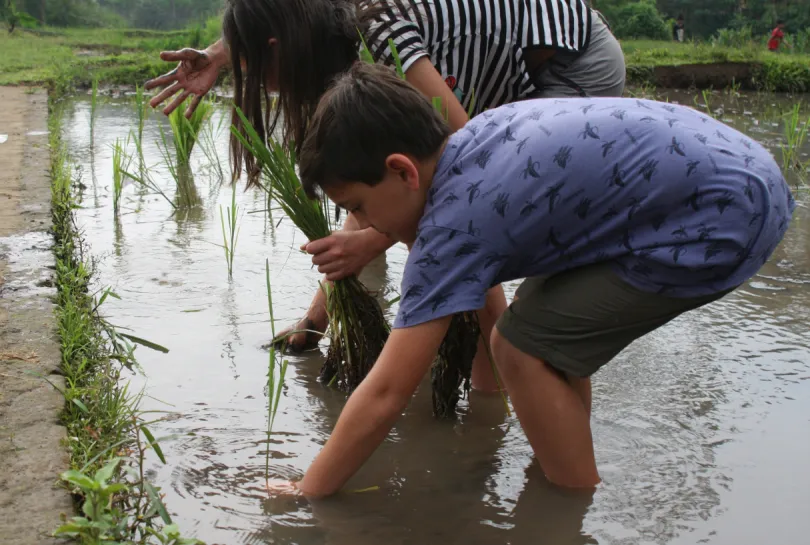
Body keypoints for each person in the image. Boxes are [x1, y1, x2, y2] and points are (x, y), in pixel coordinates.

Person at [267, 62, 794, 496]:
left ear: (403, 171)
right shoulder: (474, 140)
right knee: (542, 322)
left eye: (358, 207)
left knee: (521, 348)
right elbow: (480, 272)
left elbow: (386, 392)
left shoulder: (454, 227)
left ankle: (568, 503)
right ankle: (562, 458)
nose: (368, 224)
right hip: (742, 172)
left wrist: (308, 489)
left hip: (718, 222)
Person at [144, 0, 626, 392]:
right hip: (483, 70)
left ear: (278, 49)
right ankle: (489, 375)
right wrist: (218, 55)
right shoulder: (329, 31)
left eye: (251, 68)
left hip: (571, 60)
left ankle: (492, 397)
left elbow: (464, 171)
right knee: (400, 196)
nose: (259, 85)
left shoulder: (382, 35)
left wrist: (373, 239)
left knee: (471, 225)